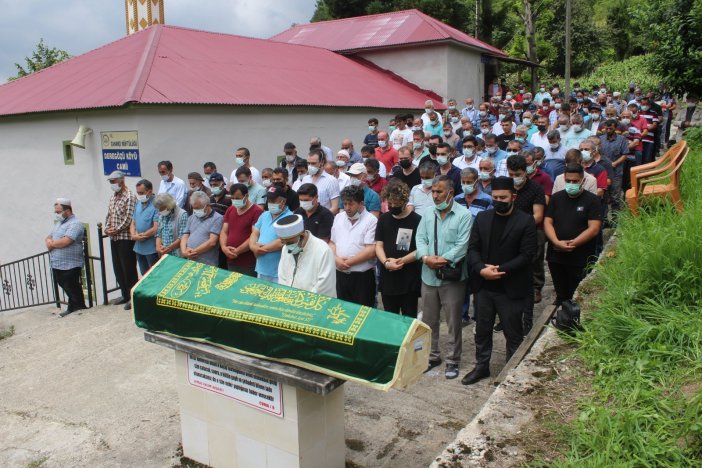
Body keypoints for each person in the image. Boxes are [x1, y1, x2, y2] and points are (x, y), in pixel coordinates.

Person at [464, 177, 537, 385]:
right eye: (495, 197)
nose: (498, 201)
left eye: (503, 197)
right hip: (484, 286)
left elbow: (527, 255)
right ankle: (481, 366)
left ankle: (510, 372)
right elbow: (472, 248)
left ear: (513, 197)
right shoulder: (483, 218)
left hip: (510, 287)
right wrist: (480, 269)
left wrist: (499, 270)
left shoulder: (525, 220)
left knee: (513, 332)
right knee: (483, 330)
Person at [415, 175, 471, 380]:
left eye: (439, 191)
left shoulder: (463, 215)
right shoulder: (428, 214)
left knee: (453, 321)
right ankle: (432, 356)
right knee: (429, 320)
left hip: (452, 278)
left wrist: (442, 259)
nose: (435, 195)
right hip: (428, 276)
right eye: (433, 191)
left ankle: (453, 360)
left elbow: (462, 245)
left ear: (451, 192)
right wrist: (425, 257)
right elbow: (420, 238)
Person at [544, 164, 602, 304]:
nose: (571, 184)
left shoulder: (592, 200)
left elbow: (594, 228)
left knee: (576, 294)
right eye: (568, 181)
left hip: (579, 256)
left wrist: (573, 243)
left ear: (582, 180)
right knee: (561, 293)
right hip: (556, 255)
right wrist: (556, 242)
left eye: (575, 181)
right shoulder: (557, 198)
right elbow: (548, 222)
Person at [506, 155, 545, 332]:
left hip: (529, 229)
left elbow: (538, 215)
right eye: (512, 173)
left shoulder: (535, 188)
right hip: (508, 231)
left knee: (531, 264)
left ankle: (534, 291)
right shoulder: (506, 186)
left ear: (525, 172)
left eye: (518, 173)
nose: (515, 177)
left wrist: (519, 226)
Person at [375, 180, 422, 317]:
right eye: (390, 204)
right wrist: (386, 262)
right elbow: (379, 245)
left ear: (405, 201)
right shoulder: (384, 219)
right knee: (390, 318)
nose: (392, 206)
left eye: (396, 204)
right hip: (388, 276)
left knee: (409, 317)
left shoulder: (417, 220)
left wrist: (401, 261)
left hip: (408, 277)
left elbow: (421, 248)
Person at [329, 185, 378, 307]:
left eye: (351, 204)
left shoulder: (371, 220)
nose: (347, 208)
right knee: (340, 312)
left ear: (361, 203)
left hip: (361, 277)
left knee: (363, 314)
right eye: (344, 204)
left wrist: (348, 262)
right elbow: (332, 243)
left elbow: (371, 250)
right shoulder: (339, 218)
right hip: (339, 275)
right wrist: (337, 260)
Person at [275, 214, 336, 297]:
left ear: (302, 236)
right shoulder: (286, 248)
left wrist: (301, 301)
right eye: (283, 242)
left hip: (313, 305)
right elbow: (282, 276)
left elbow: (324, 286)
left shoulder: (323, 250)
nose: (287, 247)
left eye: (289, 242)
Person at [46, 198, 86, 317]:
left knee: (71, 284)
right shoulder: (59, 223)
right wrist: (49, 241)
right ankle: (72, 306)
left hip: (70, 263)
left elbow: (66, 241)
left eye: (58, 212)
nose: (57, 214)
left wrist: (52, 244)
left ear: (67, 210)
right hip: (58, 262)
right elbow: (49, 236)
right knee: (63, 283)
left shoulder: (75, 223)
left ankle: (79, 307)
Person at [104, 170, 138, 310]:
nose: (112, 185)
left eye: (114, 182)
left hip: (125, 237)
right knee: (118, 267)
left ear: (121, 181)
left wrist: (116, 229)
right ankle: (124, 293)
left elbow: (128, 218)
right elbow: (109, 215)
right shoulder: (113, 197)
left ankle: (132, 296)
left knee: (128, 267)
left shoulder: (129, 196)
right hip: (114, 237)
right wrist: (107, 228)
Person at [249, 185, 292, 282]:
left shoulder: (290, 217)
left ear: (283, 202)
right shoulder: (264, 215)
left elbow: (282, 241)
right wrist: (252, 246)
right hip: (261, 268)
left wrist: (260, 249)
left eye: (273, 201)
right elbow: (255, 232)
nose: (270, 203)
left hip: (278, 272)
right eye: (268, 201)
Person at [220, 183, 263, 277]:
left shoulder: (257, 211)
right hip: (231, 259)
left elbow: (255, 235)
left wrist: (238, 251)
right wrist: (224, 247)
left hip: (248, 262)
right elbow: (224, 231)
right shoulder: (230, 209)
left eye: (238, 198)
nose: (235, 201)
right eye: (233, 198)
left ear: (246, 196)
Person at [180, 191, 223, 266]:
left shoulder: (217, 218)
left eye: (197, 208)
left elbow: (212, 242)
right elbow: (185, 235)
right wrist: (184, 251)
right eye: (193, 208)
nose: (195, 210)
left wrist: (193, 252)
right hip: (190, 260)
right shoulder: (192, 217)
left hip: (208, 262)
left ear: (207, 206)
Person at [598, 119, 629, 214]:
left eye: (610, 128)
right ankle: (605, 220)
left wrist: (614, 163)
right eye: (606, 128)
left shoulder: (622, 139)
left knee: (615, 197)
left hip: (616, 172)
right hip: (603, 172)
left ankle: (615, 219)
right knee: (604, 197)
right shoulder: (600, 139)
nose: (608, 130)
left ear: (615, 128)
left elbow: (625, 154)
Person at [130, 179, 159, 275]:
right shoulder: (138, 204)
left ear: (149, 192)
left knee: (154, 275)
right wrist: (133, 235)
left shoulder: (157, 205)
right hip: (139, 248)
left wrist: (141, 236)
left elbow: (156, 228)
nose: (139, 195)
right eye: (138, 193)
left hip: (151, 248)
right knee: (144, 276)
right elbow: (133, 222)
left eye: (141, 193)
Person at [154, 193, 188, 259]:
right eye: (159, 209)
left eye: (162, 208)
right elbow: (159, 234)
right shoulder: (161, 216)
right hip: (164, 254)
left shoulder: (182, 214)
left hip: (177, 254)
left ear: (169, 205)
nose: (160, 211)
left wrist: (168, 248)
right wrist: (158, 247)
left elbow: (182, 237)